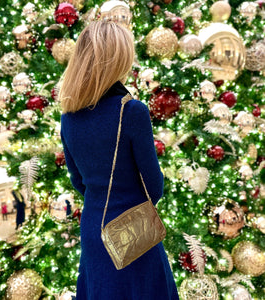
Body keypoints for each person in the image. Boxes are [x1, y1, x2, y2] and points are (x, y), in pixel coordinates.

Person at [59, 21, 179, 300]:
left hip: (93, 229)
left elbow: (78, 180)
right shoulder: (132, 111)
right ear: (118, 58)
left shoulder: (68, 116)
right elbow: (155, 186)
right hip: (131, 233)